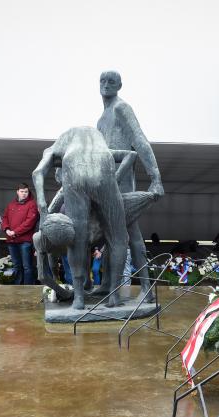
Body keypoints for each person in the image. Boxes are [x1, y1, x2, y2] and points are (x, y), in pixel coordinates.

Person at [97, 70, 164, 302]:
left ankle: (146, 287)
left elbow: (140, 141)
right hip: (105, 182)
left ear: (120, 85)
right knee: (108, 233)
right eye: (103, 81)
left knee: (131, 233)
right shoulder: (101, 118)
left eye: (111, 82)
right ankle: (107, 284)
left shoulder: (121, 108)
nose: (106, 85)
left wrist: (155, 176)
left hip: (123, 180)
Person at [1, 183, 39, 285]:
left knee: (27, 266)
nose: (24, 194)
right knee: (17, 265)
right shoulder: (11, 205)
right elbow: (4, 218)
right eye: (22, 191)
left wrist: (15, 231)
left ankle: (28, 287)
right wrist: (7, 229)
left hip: (25, 241)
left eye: (26, 192)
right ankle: (18, 286)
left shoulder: (32, 204)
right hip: (12, 240)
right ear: (17, 192)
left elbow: (30, 222)